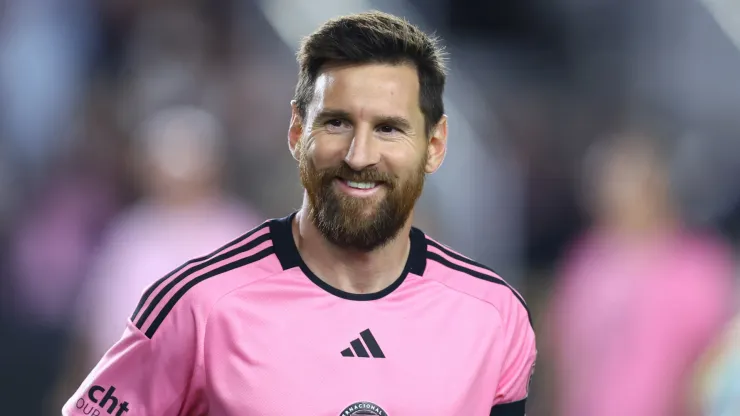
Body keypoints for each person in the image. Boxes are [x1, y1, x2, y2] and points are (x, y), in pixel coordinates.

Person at [62, 11, 536, 415]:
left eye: (389, 129)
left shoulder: (494, 317)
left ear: (434, 146)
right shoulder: (199, 305)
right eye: (336, 122)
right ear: (296, 132)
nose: (359, 155)